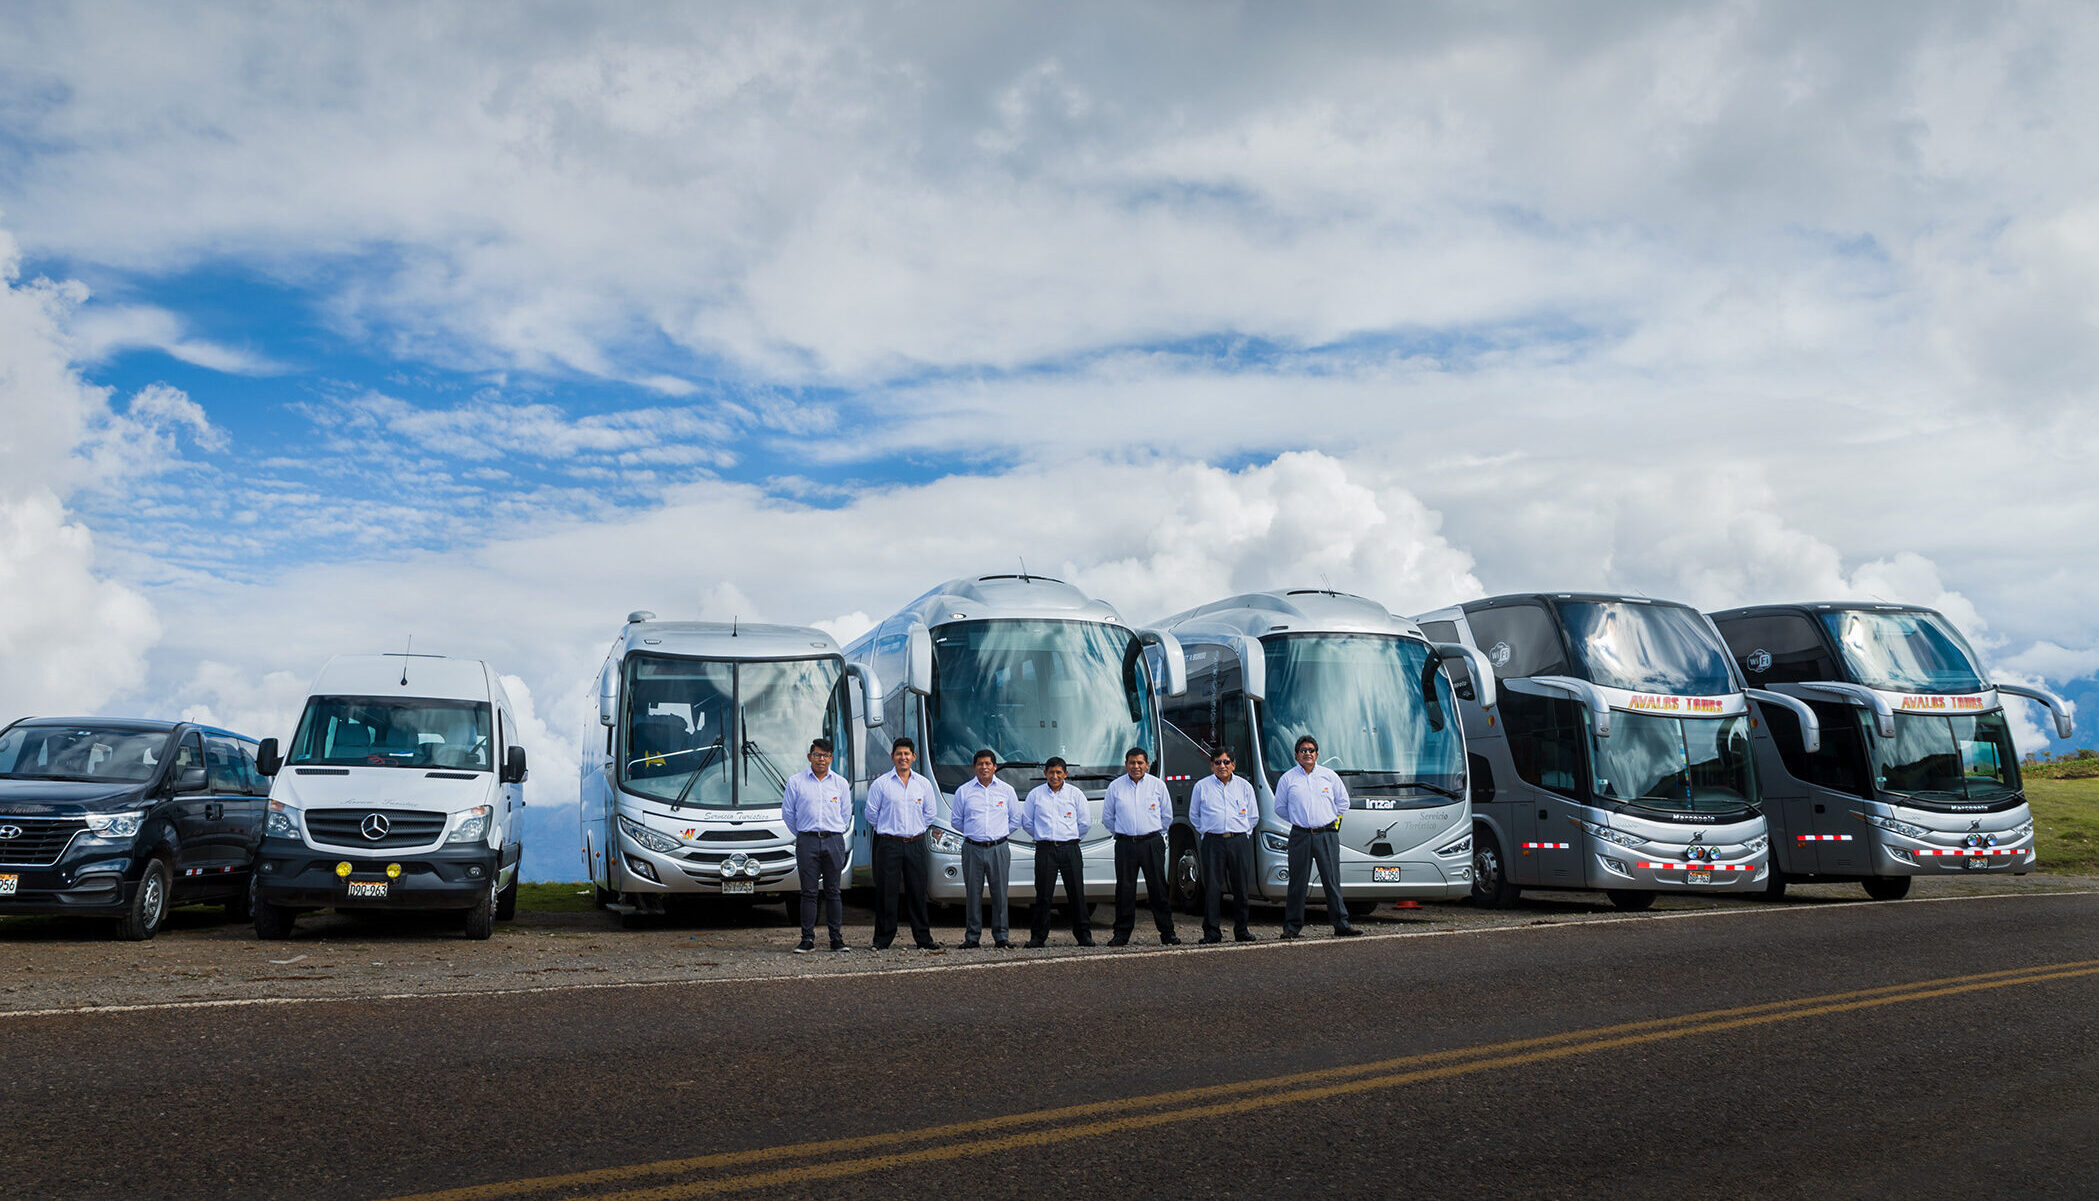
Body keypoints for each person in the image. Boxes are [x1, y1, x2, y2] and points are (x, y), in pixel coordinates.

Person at [1274, 735, 1361, 939]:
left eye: (1311, 750)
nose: (1307, 753)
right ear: (1296, 755)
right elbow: (1280, 808)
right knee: (1297, 883)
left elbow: (1343, 803)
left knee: (1331, 880)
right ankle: (1292, 928)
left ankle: (1341, 924)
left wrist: (1326, 818)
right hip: (1300, 835)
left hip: (1326, 835)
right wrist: (1301, 819)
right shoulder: (1288, 779)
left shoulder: (1329, 776)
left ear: (1317, 754)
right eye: (1303, 750)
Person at [864, 736, 942, 950]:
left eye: (907, 754)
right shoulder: (881, 784)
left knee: (917, 892)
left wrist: (913, 831)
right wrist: (889, 831)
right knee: (886, 893)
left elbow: (930, 814)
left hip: (915, 843)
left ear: (914, 757)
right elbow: (871, 813)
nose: (903, 757)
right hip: (889, 844)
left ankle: (923, 939)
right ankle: (882, 939)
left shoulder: (923, 784)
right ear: (892, 757)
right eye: (899, 754)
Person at [1100, 746, 1180, 947]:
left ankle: (1167, 933)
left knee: (1158, 889)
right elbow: (1108, 818)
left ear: (1147, 764)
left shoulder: (1157, 786)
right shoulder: (1115, 787)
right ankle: (1121, 934)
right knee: (1125, 890)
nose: (1136, 766)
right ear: (1126, 765)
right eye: (1132, 763)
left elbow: (1166, 816)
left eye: (1140, 763)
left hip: (1151, 843)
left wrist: (1153, 833)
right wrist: (1122, 832)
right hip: (1125, 844)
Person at [780, 737, 852, 953]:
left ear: (831, 758)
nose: (822, 759)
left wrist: (830, 831)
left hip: (833, 840)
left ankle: (836, 939)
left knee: (833, 891)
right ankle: (807, 939)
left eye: (826, 755)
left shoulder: (840, 783)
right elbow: (788, 814)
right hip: (807, 841)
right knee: (809, 892)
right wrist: (804, 833)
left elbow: (845, 814)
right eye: (818, 755)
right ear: (810, 757)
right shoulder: (796, 782)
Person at [1021, 756, 1094, 948]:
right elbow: (1027, 822)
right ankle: (1038, 937)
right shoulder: (1035, 795)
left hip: (1070, 848)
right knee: (1043, 895)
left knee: (1077, 893)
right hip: (1045, 849)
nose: (1055, 776)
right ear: (1045, 773)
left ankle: (1084, 935)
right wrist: (1043, 836)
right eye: (1051, 772)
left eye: (1059, 772)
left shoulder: (1075, 794)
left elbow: (1084, 823)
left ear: (1066, 774)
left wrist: (1071, 838)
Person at [1189, 747, 1257, 944]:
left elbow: (1253, 816)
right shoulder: (1201, 787)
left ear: (1233, 765)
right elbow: (1194, 815)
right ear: (1211, 765)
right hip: (1213, 842)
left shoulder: (1245, 787)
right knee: (1212, 888)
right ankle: (1211, 932)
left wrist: (1242, 834)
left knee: (1240, 888)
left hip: (1238, 841)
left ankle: (1242, 930)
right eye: (1217, 762)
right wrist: (1208, 831)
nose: (1222, 766)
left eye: (1226, 762)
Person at [952, 748, 1018, 948]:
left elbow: (1015, 820)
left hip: (999, 848)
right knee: (973, 894)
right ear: (974, 767)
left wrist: (997, 835)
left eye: (988, 764)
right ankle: (972, 937)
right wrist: (976, 834)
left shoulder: (1007, 790)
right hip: (972, 848)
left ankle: (1001, 937)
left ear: (995, 767)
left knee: (1000, 893)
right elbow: (957, 821)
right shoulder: (964, 791)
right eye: (980, 764)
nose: (984, 767)